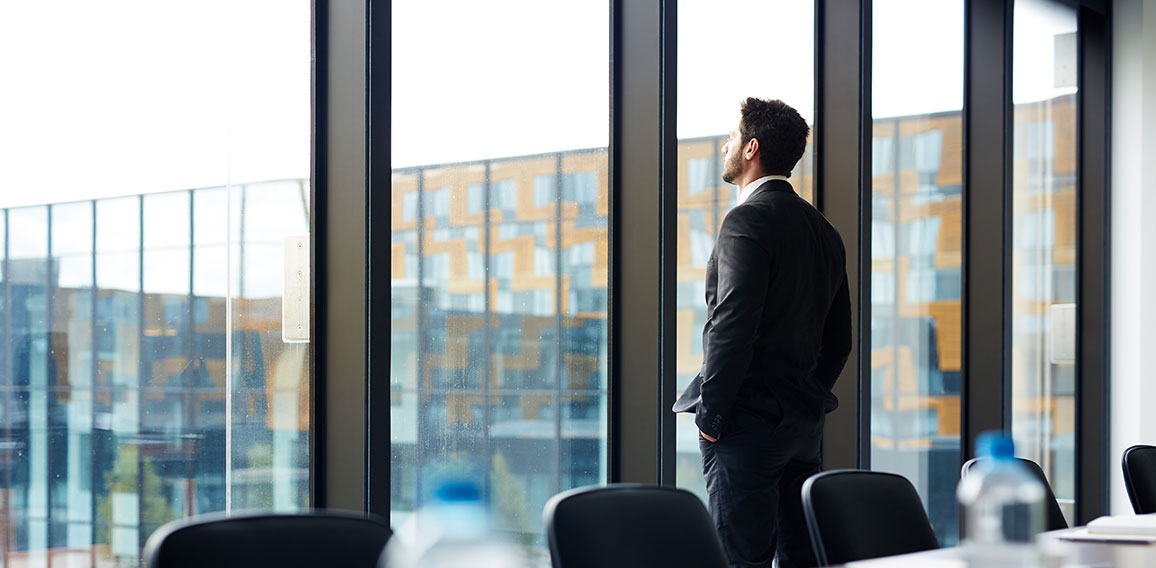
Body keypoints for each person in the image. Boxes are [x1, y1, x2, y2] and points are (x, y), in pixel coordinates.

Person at [672, 97, 851, 568]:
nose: (725, 147)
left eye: (732, 138)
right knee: (800, 559)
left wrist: (711, 417)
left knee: (741, 560)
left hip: (747, 426)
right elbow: (839, 342)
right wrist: (804, 398)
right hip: (801, 430)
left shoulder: (746, 219)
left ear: (751, 148)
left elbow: (732, 327)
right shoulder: (825, 232)